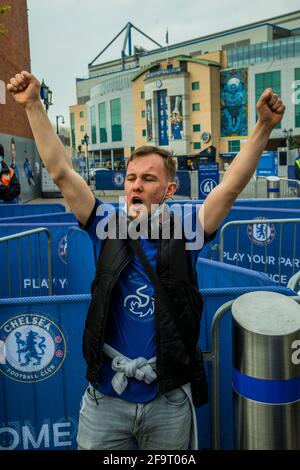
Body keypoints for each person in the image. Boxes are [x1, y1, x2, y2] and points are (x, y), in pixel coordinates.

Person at [7, 71, 285, 450]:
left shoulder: (186, 227)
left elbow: (231, 185)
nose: (135, 185)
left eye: (148, 179)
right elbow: (61, 171)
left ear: (170, 189)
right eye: (131, 177)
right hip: (106, 398)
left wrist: (263, 127)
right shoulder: (105, 222)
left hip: (168, 399)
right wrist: (33, 106)